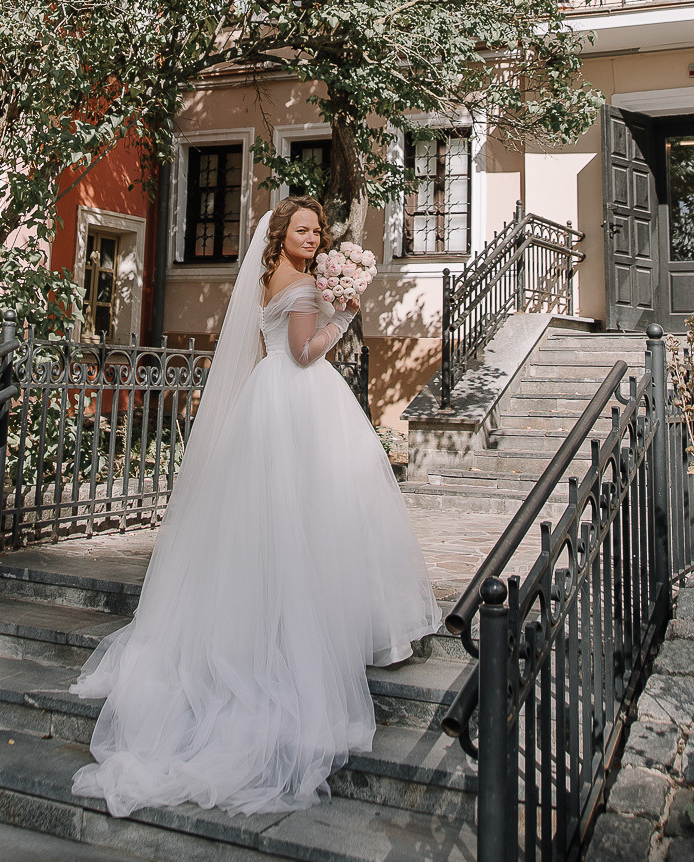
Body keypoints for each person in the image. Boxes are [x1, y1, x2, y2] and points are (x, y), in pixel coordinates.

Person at [70, 195, 441, 818]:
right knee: (316, 510)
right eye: (303, 230)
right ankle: (310, 626)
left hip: (269, 399)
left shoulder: (274, 278)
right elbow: (302, 353)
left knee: (279, 515)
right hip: (298, 396)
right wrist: (344, 317)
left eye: (317, 231)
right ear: (281, 235)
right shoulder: (301, 287)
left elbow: (273, 350)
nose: (313, 238)